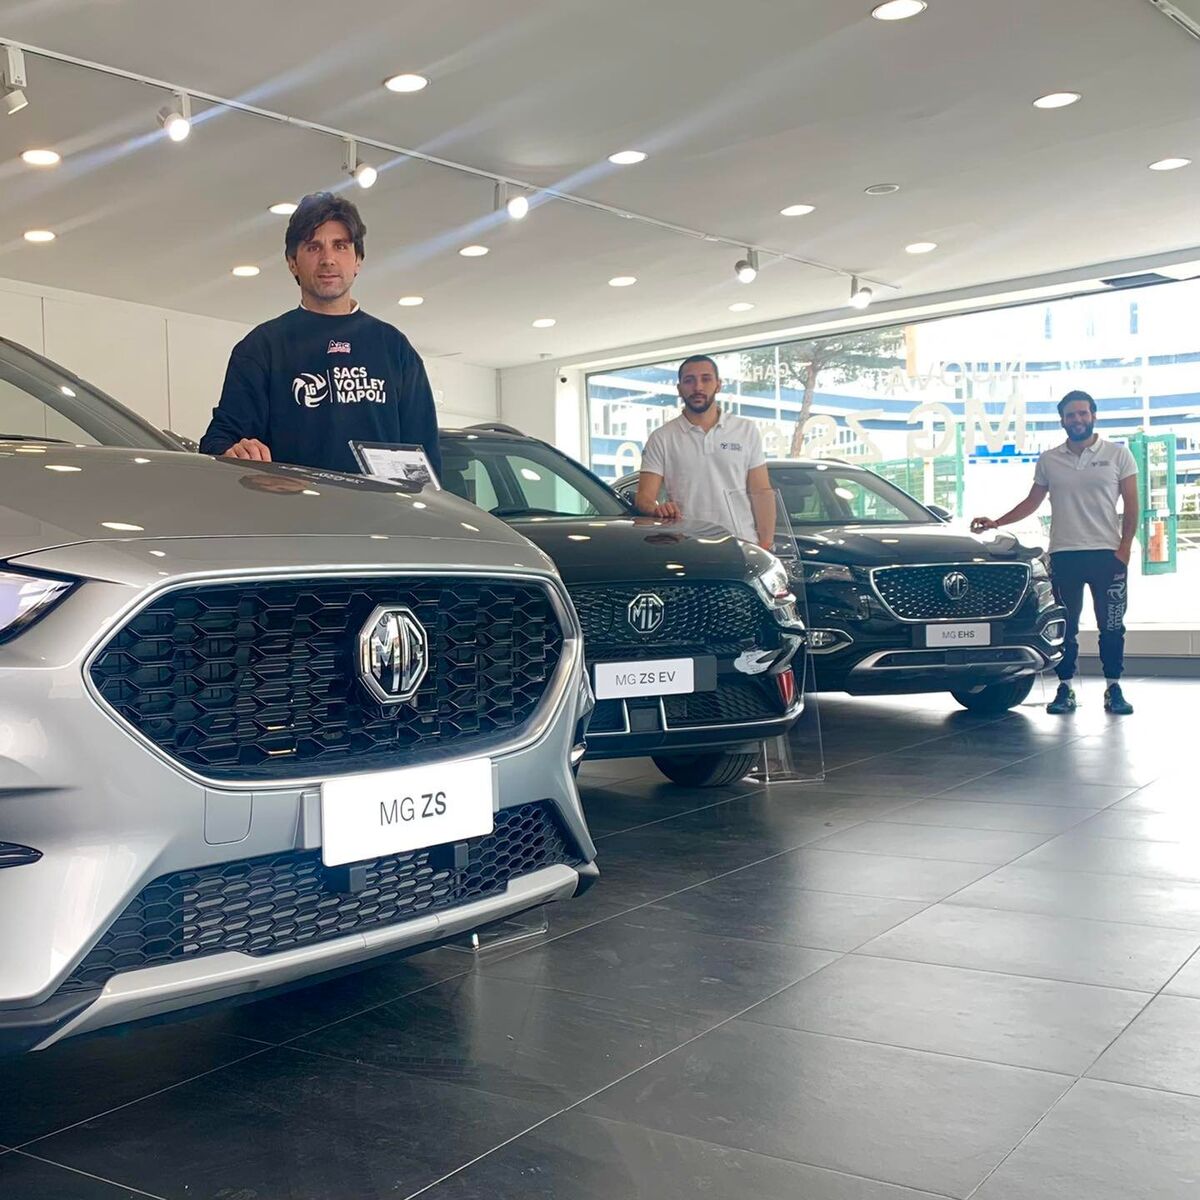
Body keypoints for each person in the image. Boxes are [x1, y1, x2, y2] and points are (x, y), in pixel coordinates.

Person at [199, 192, 441, 479]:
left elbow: (426, 459)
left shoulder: (395, 349)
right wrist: (234, 451)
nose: (328, 259)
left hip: (378, 509)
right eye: (313, 247)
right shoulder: (261, 348)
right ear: (292, 262)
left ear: (358, 260)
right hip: (293, 507)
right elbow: (218, 442)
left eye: (340, 246)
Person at [971, 390, 1138, 715]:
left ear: (1093, 416)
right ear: (1062, 420)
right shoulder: (1049, 459)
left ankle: (1113, 687)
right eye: (1071, 415)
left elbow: (1132, 505)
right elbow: (1032, 501)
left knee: (1112, 626)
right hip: (1064, 555)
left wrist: (1125, 548)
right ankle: (1065, 688)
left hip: (1108, 556)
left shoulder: (1118, 455)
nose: (1078, 419)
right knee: (1066, 627)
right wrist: (997, 522)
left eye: (1083, 413)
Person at [634, 354, 774, 548]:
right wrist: (657, 509)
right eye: (689, 380)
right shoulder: (662, 437)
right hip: (687, 547)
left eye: (706, 379)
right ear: (679, 389)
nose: (698, 387)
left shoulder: (746, 430)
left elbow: (761, 492)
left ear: (718, 385)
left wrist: (766, 545)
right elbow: (644, 498)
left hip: (742, 545)